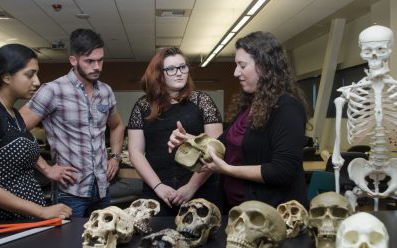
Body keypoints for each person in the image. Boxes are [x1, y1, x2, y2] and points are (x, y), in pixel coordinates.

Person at [169, 32, 309, 210]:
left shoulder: (287, 107)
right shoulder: (251, 105)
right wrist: (189, 139)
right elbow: (224, 144)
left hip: (270, 215)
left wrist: (227, 170)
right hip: (238, 210)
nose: (236, 73)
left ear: (264, 66)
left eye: (242, 65)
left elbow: (282, 170)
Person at [20, 29, 125, 218]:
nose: (97, 67)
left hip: (101, 189)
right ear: (73, 60)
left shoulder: (106, 91)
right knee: (69, 246)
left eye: (100, 60)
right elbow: (15, 130)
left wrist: (115, 158)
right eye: (89, 61)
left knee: (105, 244)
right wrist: (47, 169)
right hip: (70, 192)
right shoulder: (53, 90)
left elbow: (117, 126)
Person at [0, 44, 72, 220]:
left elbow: (20, 147)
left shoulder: (13, 113)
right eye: (30, 75)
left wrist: (47, 169)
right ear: (6, 76)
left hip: (20, 218)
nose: (37, 81)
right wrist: (41, 211)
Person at [128, 47, 223, 216]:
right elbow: (135, 152)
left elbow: (216, 150)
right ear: (159, 74)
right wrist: (158, 187)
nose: (179, 73)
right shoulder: (142, 106)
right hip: (157, 190)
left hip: (200, 188)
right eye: (171, 69)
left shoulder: (203, 102)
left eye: (183, 67)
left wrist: (192, 186)